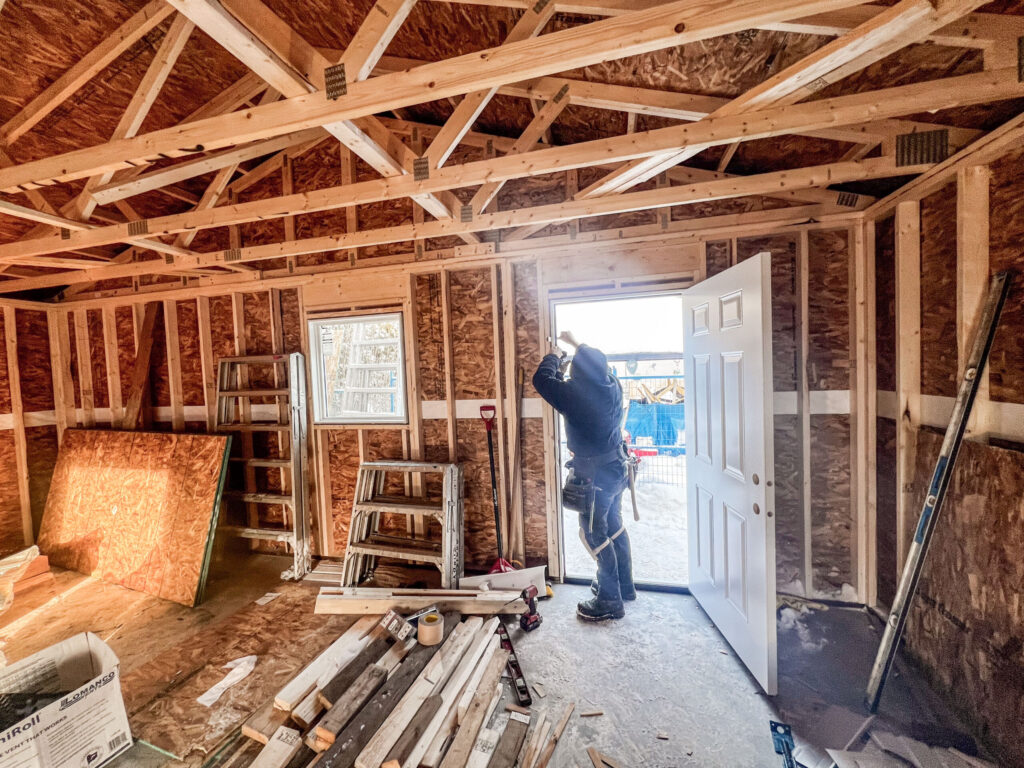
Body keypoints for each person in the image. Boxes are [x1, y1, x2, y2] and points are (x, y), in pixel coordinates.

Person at [533, 331, 635, 621]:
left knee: (594, 534)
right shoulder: (611, 383)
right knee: (614, 526)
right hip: (616, 470)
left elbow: (541, 380)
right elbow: (596, 362)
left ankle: (610, 600)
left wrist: (554, 355)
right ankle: (624, 587)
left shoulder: (575, 395)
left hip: (596, 476)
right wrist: (576, 344)